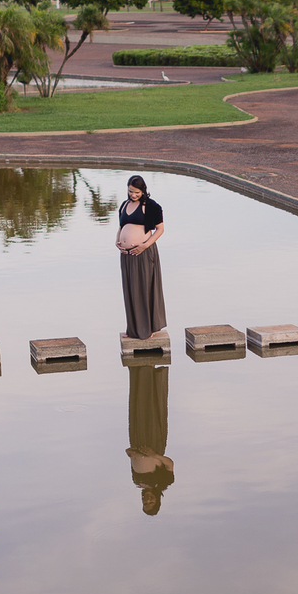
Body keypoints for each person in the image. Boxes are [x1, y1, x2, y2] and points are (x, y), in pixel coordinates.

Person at [116, 175, 166, 340]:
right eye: (131, 191)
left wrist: (145, 245)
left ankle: (146, 330)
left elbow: (160, 229)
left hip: (143, 253)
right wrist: (118, 240)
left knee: (143, 289)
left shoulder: (151, 206)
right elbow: (122, 226)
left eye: (136, 192)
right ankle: (132, 329)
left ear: (143, 190)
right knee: (130, 290)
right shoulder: (124, 205)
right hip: (127, 255)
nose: (133, 195)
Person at [127, 364, 174, 516]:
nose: (147, 500)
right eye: (151, 502)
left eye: (145, 503)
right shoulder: (164, 482)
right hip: (154, 441)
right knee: (151, 409)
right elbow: (169, 463)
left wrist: (130, 453)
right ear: (157, 500)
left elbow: (134, 460)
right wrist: (153, 455)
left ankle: (138, 369)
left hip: (137, 439)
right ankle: (150, 369)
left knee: (138, 409)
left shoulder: (137, 482)